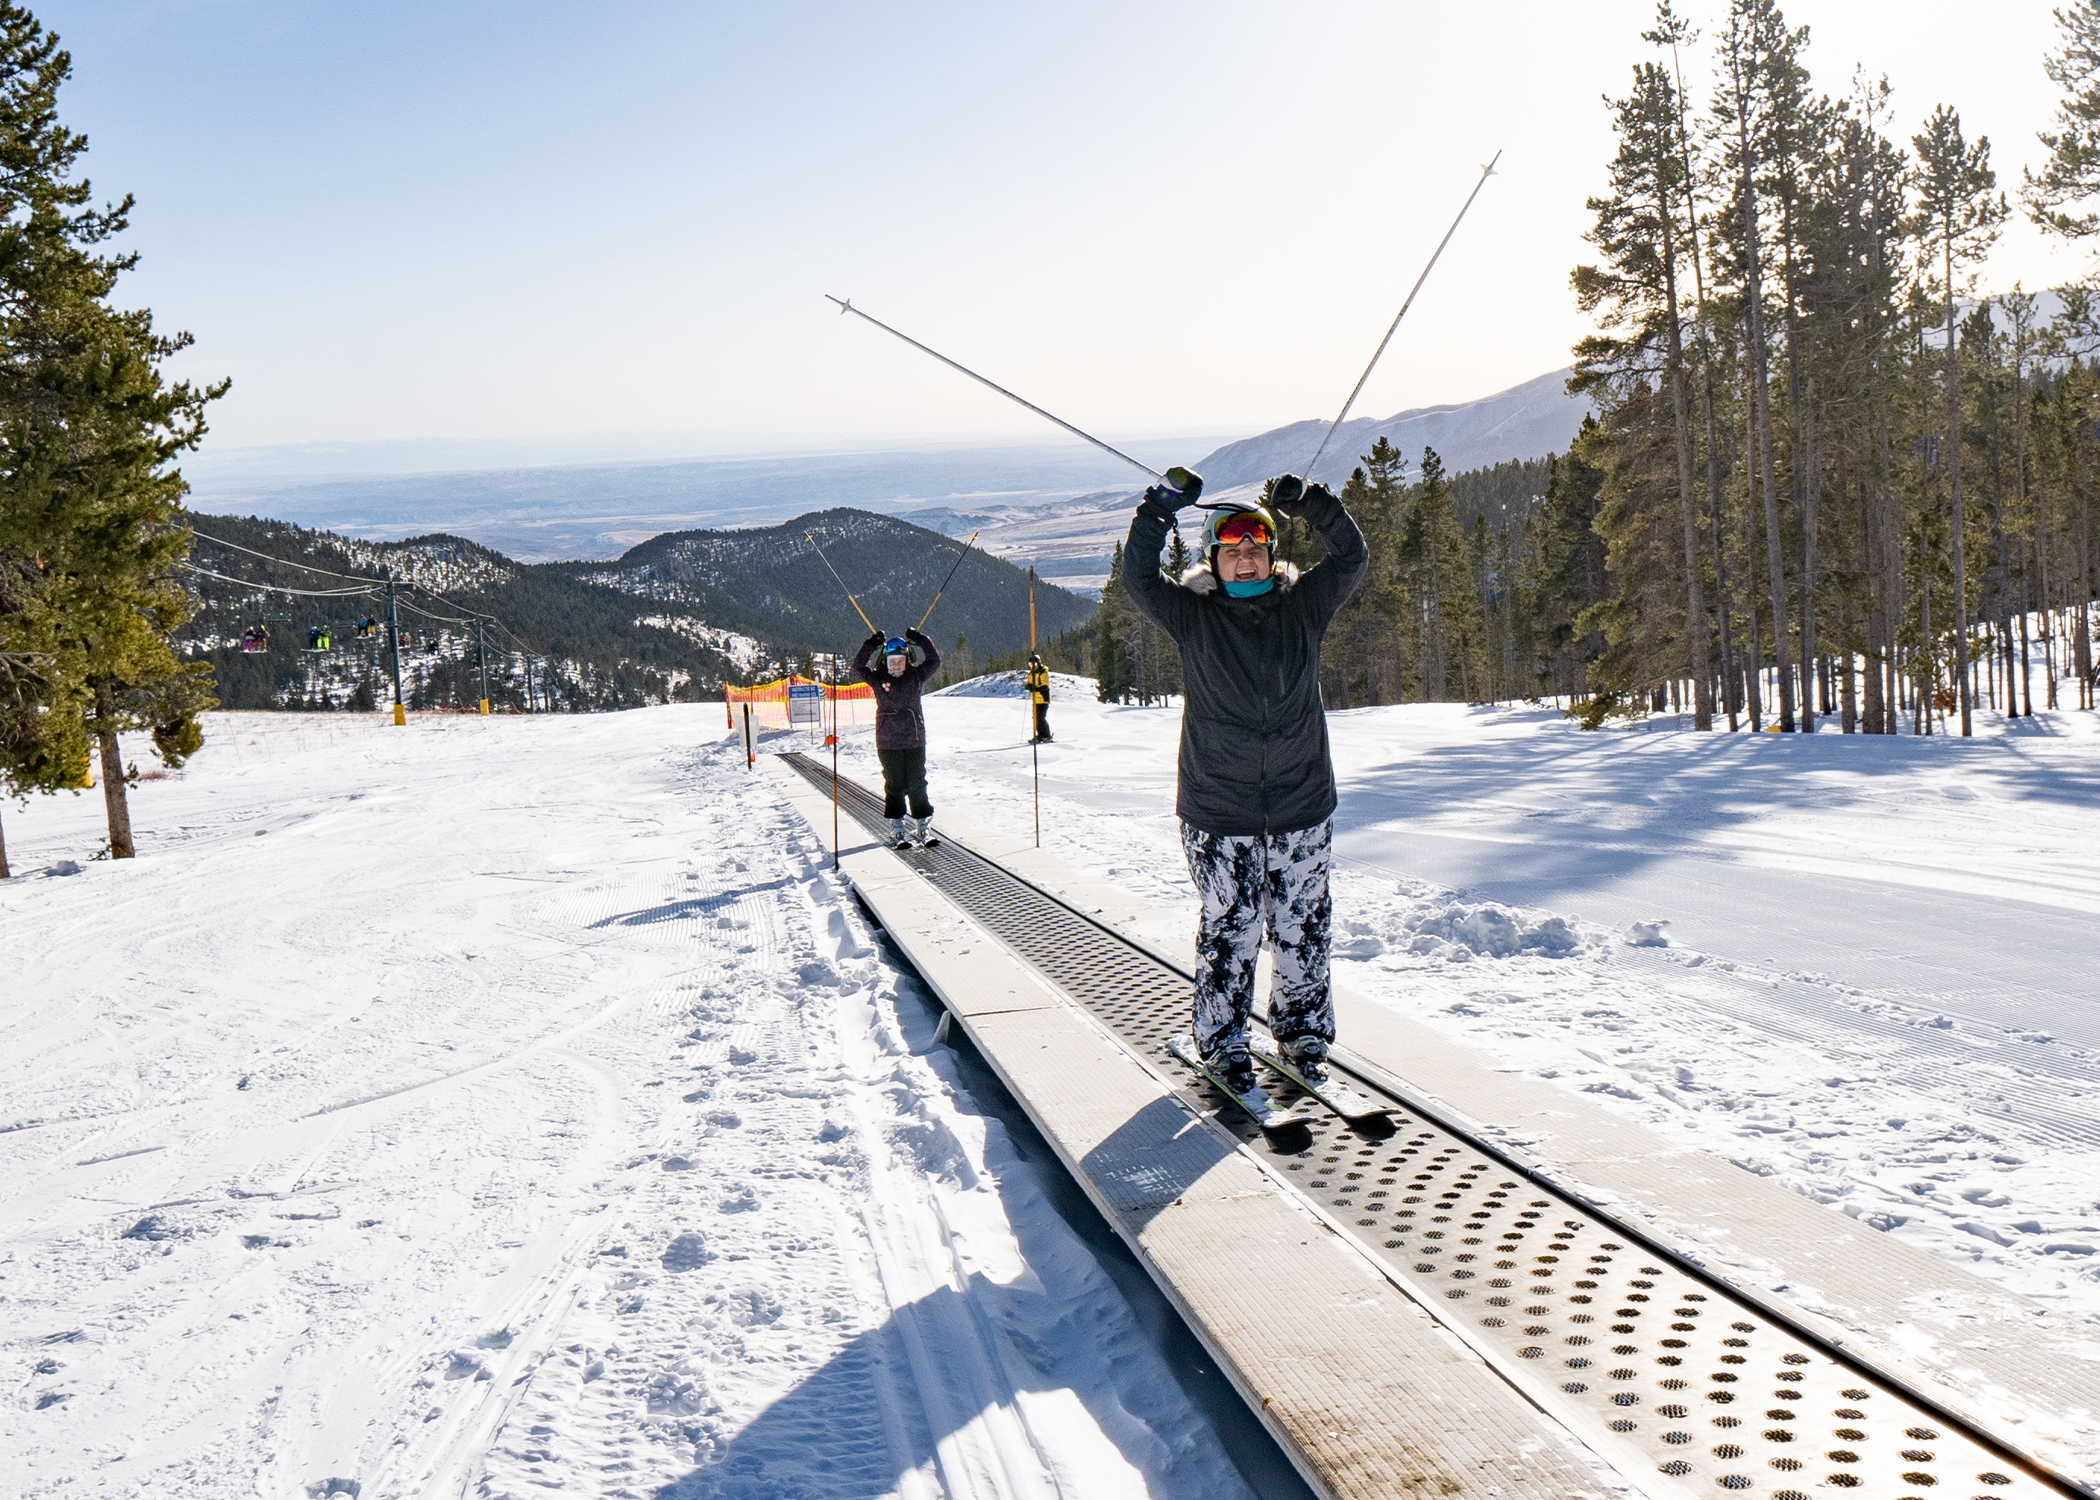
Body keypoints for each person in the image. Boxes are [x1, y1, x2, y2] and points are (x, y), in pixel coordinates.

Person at [1122, 470, 1367, 1094]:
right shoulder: (1193, 616)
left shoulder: (1303, 606)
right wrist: (1158, 510)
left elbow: (1351, 557)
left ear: (1271, 552)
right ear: (1214, 560)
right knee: (1230, 927)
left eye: (1257, 545)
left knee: (1303, 921)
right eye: (1232, 549)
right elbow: (1139, 578)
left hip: (1302, 800)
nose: (1247, 555)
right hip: (1217, 806)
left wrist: (1312, 505)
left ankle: (1303, 1030)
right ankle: (1225, 1041)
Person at [852, 627, 942, 848]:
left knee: (917, 782)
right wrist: (872, 644)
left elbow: (934, 660)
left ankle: (923, 825)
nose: (897, 665)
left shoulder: (916, 676)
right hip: (888, 742)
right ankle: (897, 827)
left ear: (907, 660)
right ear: (885, 661)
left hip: (914, 740)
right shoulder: (877, 679)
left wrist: (920, 639)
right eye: (892, 661)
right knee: (894, 784)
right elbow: (857, 666)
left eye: (900, 661)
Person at [1026, 652, 1052, 743]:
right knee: (1035, 718)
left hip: (1043, 699)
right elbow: (1029, 682)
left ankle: (1046, 735)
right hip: (1035, 699)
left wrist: (1035, 689)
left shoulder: (1043, 673)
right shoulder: (1031, 673)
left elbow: (1045, 686)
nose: (1032, 666)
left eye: (1034, 664)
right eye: (1030, 664)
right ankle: (1040, 734)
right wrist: (1028, 686)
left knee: (1040, 717)